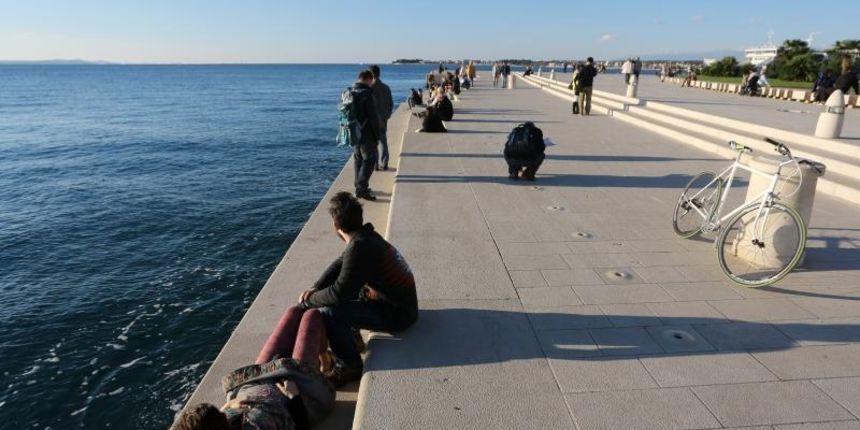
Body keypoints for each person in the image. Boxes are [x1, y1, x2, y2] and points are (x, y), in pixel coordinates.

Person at [298, 192, 418, 387]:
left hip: (399, 315)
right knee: (352, 285)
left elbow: (338, 293)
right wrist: (316, 287)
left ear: (335, 226)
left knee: (330, 311)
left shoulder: (359, 248)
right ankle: (354, 341)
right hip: (401, 305)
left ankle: (349, 366)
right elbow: (340, 263)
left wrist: (309, 301)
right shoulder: (366, 236)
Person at [173, 306, 335, 430]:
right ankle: (325, 362)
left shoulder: (219, 421)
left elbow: (209, 420)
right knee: (312, 316)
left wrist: (229, 406)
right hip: (294, 392)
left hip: (258, 377)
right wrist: (294, 397)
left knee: (295, 311)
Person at [350, 70, 380, 201]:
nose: (372, 83)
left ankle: (358, 186)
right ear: (368, 79)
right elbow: (373, 117)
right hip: (366, 133)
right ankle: (361, 189)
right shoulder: (366, 94)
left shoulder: (352, 91)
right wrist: (377, 135)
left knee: (358, 159)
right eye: (371, 80)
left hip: (354, 131)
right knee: (369, 160)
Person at [368, 65, 393, 172]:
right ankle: (385, 163)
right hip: (383, 118)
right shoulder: (386, 87)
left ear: (371, 74)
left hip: (373, 119)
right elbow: (390, 103)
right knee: (383, 141)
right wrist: (387, 115)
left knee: (374, 143)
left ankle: (376, 165)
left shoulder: (370, 88)